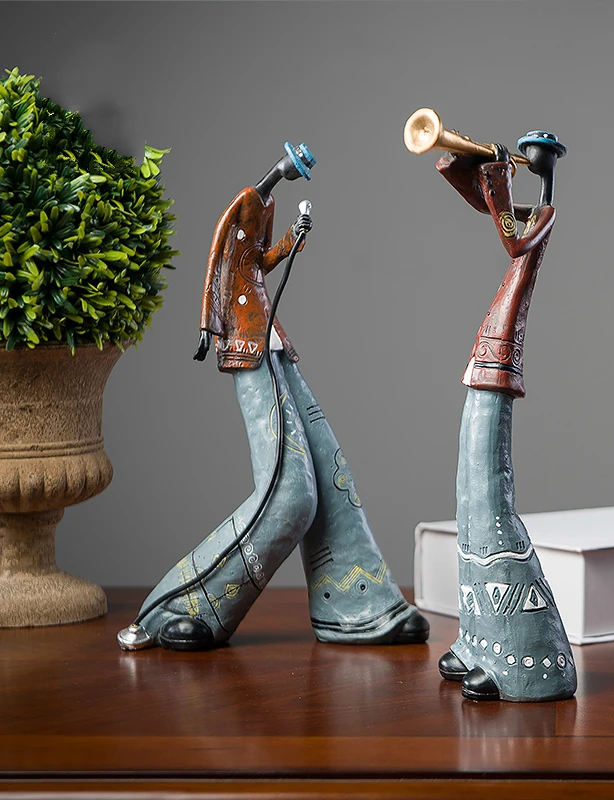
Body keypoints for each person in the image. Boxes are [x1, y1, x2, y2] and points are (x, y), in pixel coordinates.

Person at [118, 143, 428, 652]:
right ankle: (182, 605)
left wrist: (290, 240)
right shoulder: (244, 202)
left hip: (271, 336)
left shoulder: (266, 209)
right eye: (294, 168)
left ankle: (357, 600)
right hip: (244, 339)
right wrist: (207, 326)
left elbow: (259, 263)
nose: (294, 174)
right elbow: (216, 264)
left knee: (326, 465)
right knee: (289, 492)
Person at [434, 133, 577, 701]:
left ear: (542, 165)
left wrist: (498, 176)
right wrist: (467, 166)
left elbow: (512, 237)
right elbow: (488, 209)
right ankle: (476, 638)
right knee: (468, 497)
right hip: (486, 355)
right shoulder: (526, 212)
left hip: (500, 356)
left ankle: (524, 660)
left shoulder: (544, 215)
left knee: (487, 491)